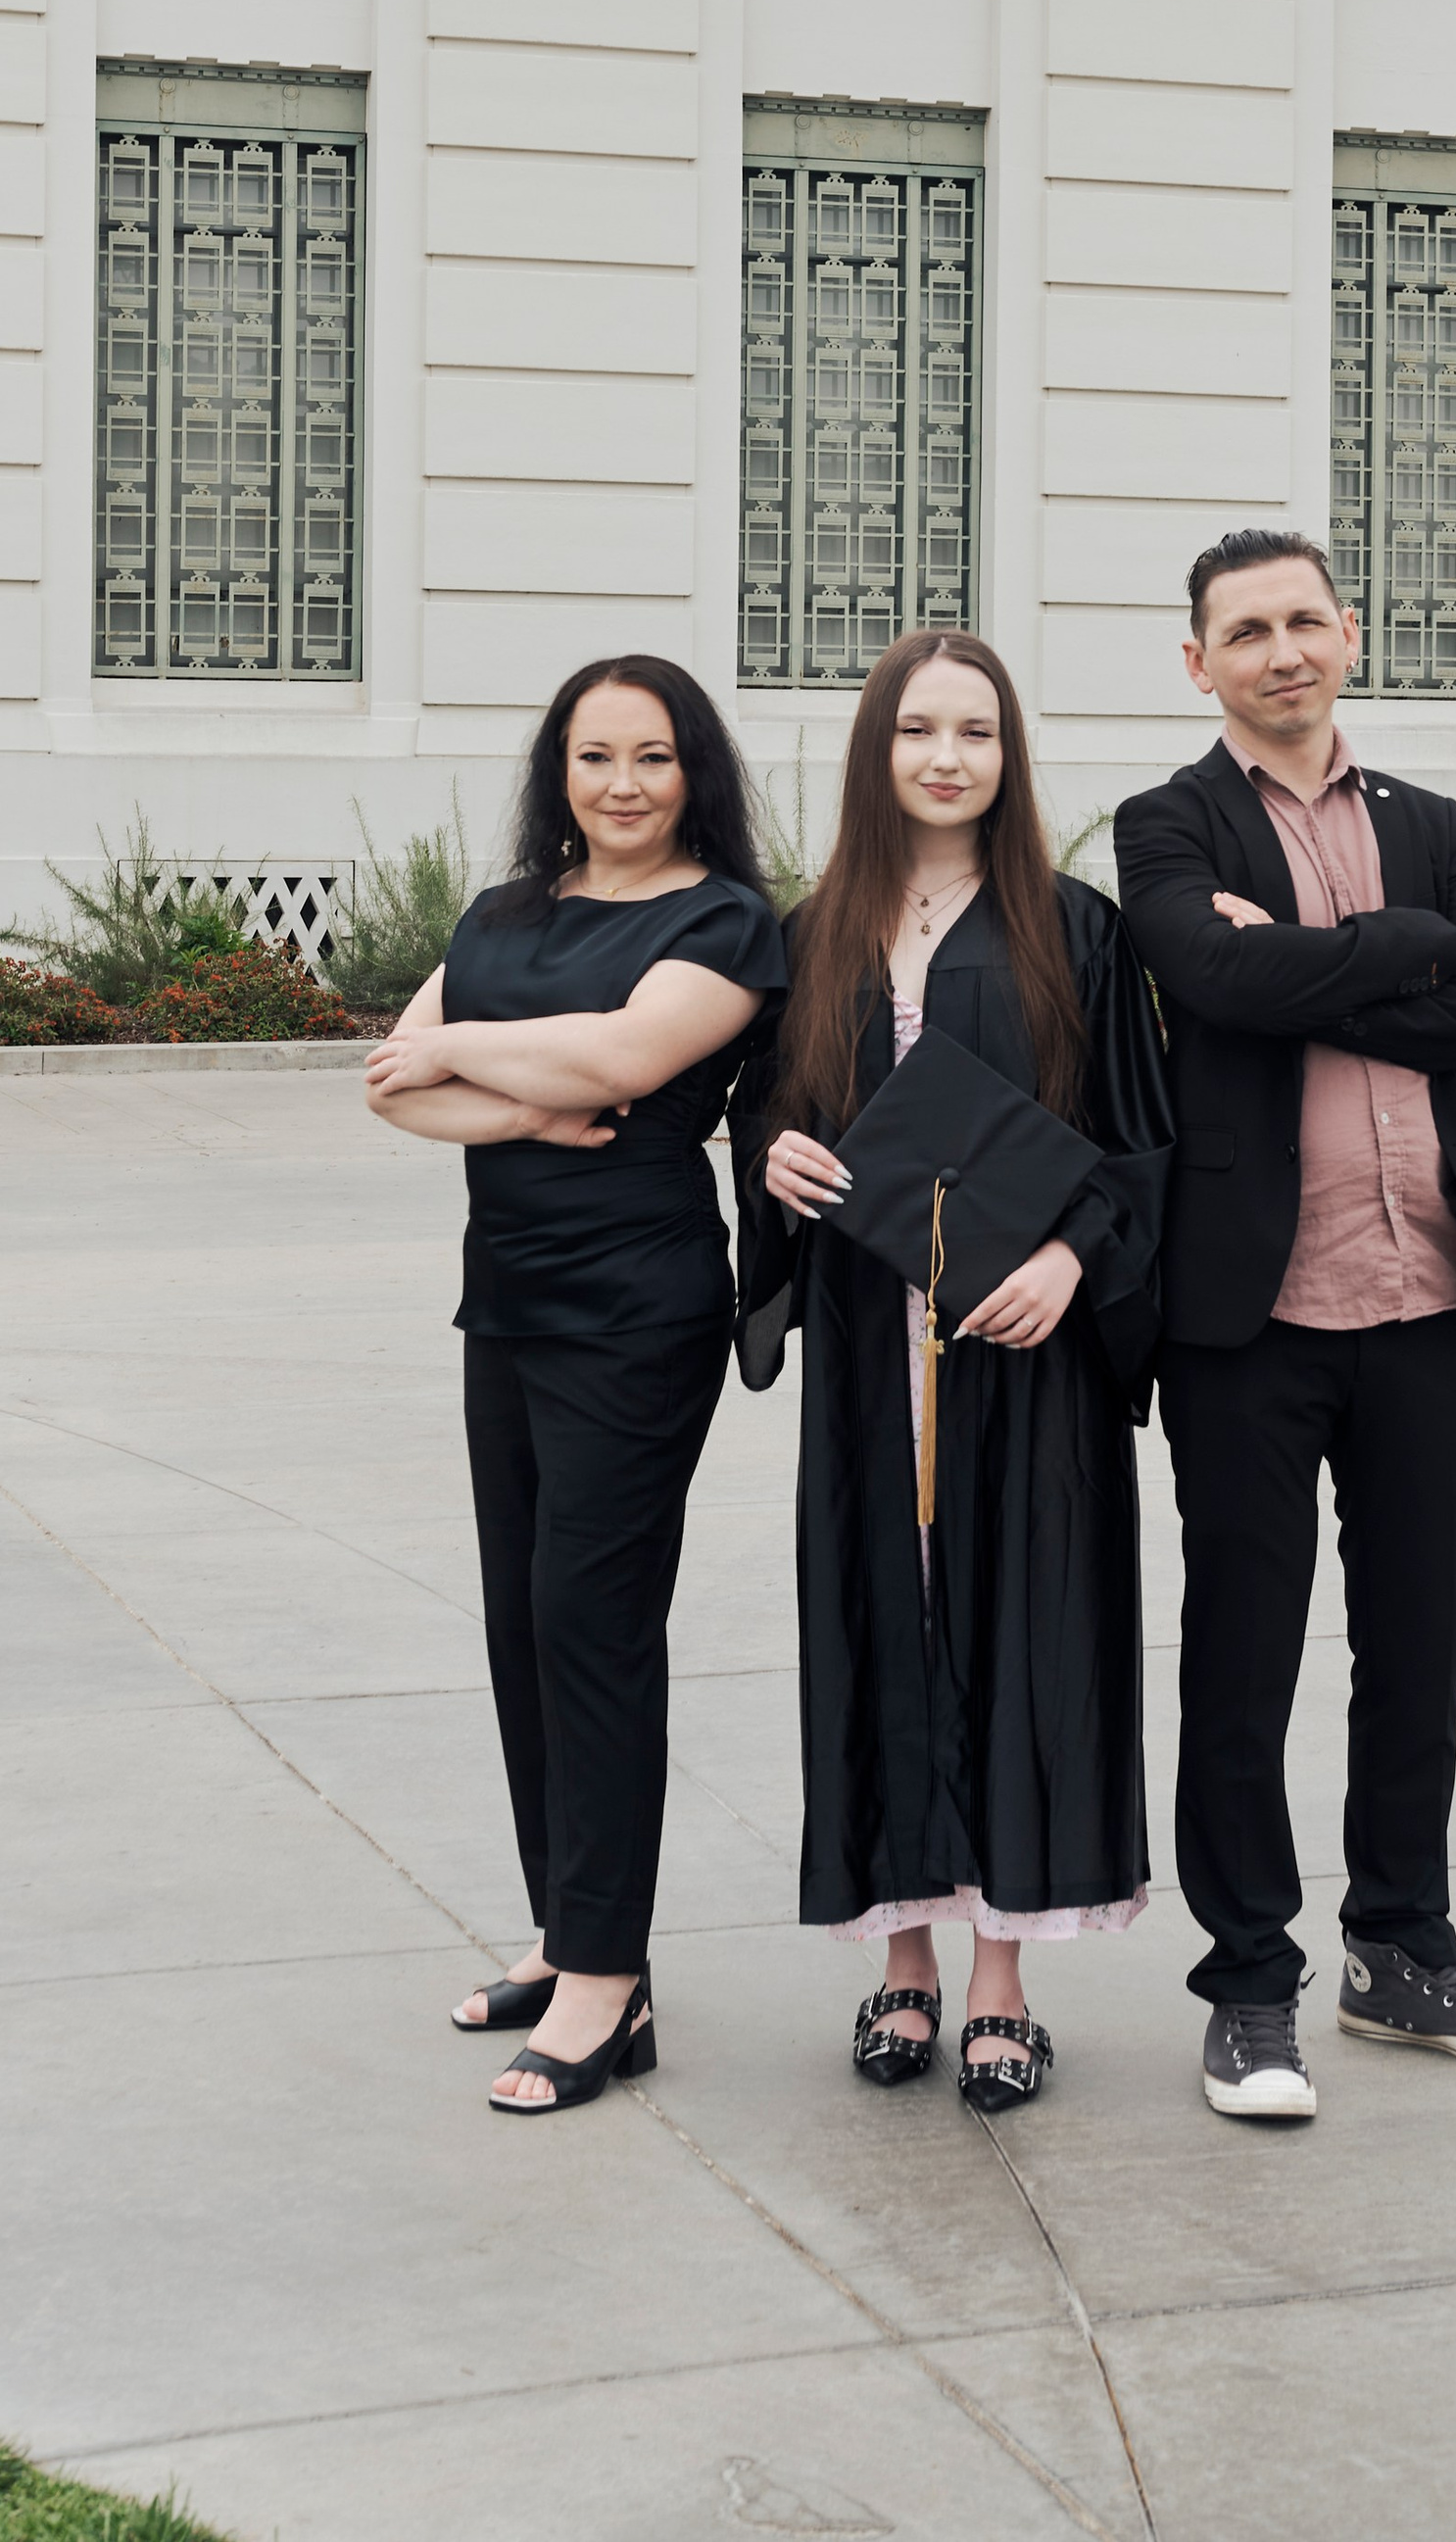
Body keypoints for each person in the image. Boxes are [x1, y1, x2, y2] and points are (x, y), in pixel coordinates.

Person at [1112, 529, 1456, 2121]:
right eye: (1246, 630)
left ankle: (1403, 1950)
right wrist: (1406, 950)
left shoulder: (1426, 820)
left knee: (1415, 1648)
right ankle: (1250, 1987)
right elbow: (1209, 985)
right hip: (1251, 1311)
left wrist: (1308, 960)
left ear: (1350, 634)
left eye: (1305, 618)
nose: (1281, 649)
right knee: (1243, 1659)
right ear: (1201, 663)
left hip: (1430, 1292)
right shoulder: (1169, 822)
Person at [735, 630, 1171, 2115]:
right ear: (878, 750)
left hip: (1021, 1350)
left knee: (1022, 1624)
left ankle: (1002, 1979)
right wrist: (778, 1162)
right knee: (877, 1619)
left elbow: (1135, 1139)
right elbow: (768, 1123)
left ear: (1009, 754)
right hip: (868, 1341)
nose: (944, 755)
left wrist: (1071, 1260)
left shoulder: (1074, 928)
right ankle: (902, 1959)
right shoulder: (814, 934)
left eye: (974, 731)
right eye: (917, 728)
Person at [365, 655, 784, 2115]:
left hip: (639, 1312)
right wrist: (536, 1119)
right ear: (559, 775)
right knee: (519, 1624)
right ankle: (571, 1936)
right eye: (594, 757)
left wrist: (476, 1053)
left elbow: (621, 1053)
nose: (621, 784)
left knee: (591, 1623)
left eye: (653, 758)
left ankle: (609, 1980)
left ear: (694, 775)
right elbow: (392, 1090)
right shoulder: (503, 915)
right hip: (512, 1303)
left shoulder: (725, 921)